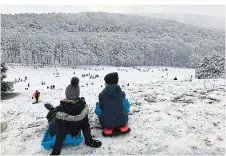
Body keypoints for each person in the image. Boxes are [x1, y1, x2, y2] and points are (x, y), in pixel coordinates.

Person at [44, 77, 102, 155]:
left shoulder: (61, 109)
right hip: (74, 131)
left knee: (52, 116)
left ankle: (51, 109)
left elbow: (60, 131)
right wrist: (89, 141)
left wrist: (56, 151)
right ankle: (52, 109)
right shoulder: (82, 107)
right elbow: (85, 126)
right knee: (56, 113)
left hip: (57, 129)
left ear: (66, 94)